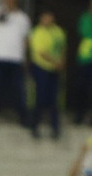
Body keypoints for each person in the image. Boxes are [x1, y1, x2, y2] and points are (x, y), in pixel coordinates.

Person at [0, 0, 30, 127]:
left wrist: (24, 57)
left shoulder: (23, 18)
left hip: (15, 58)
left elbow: (25, 39)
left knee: (18, 90)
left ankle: (24, 118)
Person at [28, 10, 66, 139]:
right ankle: (34, 126)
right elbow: (41, 52)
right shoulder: (37, 32)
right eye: (45, 17)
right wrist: (56, 62)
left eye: (49, 17)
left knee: (54, 100)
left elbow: (62, 48)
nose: (47, 20)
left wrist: (62, 62)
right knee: (40, 98)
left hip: (54, 70)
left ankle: (55, 128)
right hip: (41, 68)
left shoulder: (58, 31)